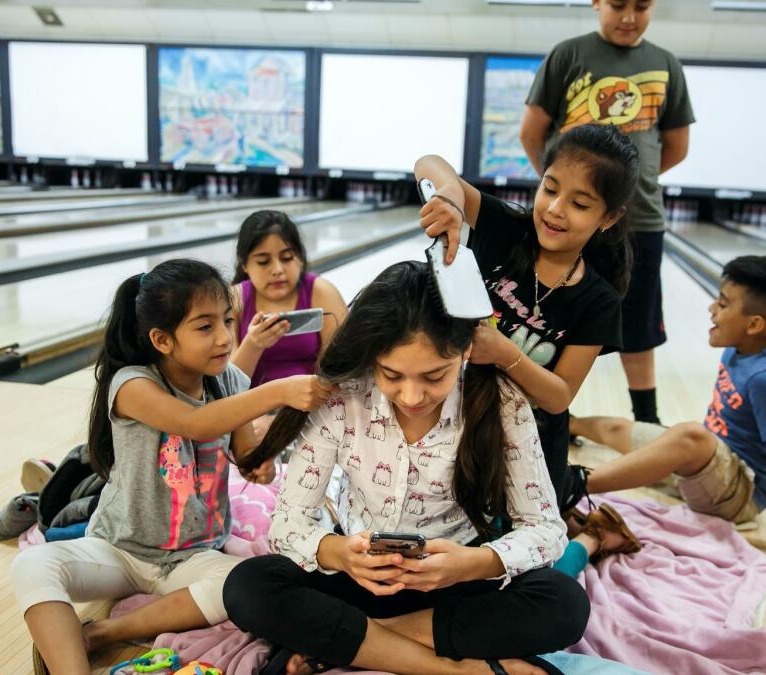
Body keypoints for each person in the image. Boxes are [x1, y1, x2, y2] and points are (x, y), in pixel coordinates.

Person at [226, 261, 589, 675]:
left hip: (456, 582)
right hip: (358, 578)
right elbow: (289, 521)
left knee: (564, 604)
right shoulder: (342, 398)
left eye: (435, 376)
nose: (412, 395)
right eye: (392, 375)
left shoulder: (502, 403)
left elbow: (545, 527)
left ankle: (352, 642)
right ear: (372, 355)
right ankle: (458, 669)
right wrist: (341, 554)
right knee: (247, 586)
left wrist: (474, 564)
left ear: (466, 349)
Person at [9, 259, 333, 675]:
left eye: (227, 321)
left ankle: (102, 633)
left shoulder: (229, 383)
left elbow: (247, 456)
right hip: (120, 548)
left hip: (194, 555)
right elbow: (195, 424)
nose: (223, 337)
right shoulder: (131, 384)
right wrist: (278, 391)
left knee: (247, 584)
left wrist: (262, 463)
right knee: (34, 565)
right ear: (162, 340)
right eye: (204, 326)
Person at [414, 124, 642, 568]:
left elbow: (559, 397)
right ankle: (574, 501)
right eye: (549, 189)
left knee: (525, 573)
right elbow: (429, 164)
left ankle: (592, 535)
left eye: (579, 204)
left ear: (608, 218)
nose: (555, 210)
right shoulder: (507, 230)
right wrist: (451, 198)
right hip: (457, 428)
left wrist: (504, 353)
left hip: (529, 450)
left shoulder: (599, 300)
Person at [571, 256, 766, 565]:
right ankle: (566, 423)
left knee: (690, 436)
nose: (711, 309)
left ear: (754, 324)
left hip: (739, 493)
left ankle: (574, 484)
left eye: (723, 303)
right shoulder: (744, 346)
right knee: (620, 430)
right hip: (711, 468)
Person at [521, 0, 695, 425]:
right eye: (617, 4)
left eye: (642, 6)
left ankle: (647, 423)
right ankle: (549, 412)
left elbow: (676, 146)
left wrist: (612, 193)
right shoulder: (569, 55)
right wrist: (572, 199)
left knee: (639, 329)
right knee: (558, 320)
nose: (629, 16)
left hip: (642, 219)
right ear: (596, 3)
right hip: (573, 227)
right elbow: (532, 134)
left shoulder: (666, 64)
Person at [231, 209, 348, 390]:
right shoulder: (234, 300)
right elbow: (226, 387)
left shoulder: (322, 292)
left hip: (313, 406)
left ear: (300, 257)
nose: (277, 269)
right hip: (252, 411)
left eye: (286, 258)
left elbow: (343, 372)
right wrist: (253, 345)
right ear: (245, 264)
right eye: (263, 261)